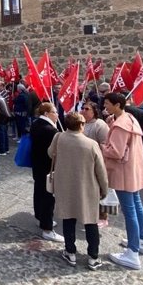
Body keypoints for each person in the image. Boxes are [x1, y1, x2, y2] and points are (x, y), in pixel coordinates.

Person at [48, 112, 108, 270]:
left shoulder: (59, 137)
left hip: (65, 184)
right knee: (90, 221)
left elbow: (50, 153)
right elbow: (100, 170)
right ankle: (93, 257)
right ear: (81, 125)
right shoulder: (91, 144)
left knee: (68, 219)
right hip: (87, 186)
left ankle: (70, 251)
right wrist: (105, 188)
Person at [102, 92, 143, 271]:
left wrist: (99, 146)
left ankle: (132, 253)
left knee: (129, 210)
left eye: (107, 103)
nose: (104, 106)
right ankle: (140, 240)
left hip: (123, 171)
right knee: (136, 205)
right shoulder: (128, 118)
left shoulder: (121, 125)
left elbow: (115, 151)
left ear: (117, 105)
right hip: (133, 168)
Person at [30, 102, 64, 242]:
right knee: (48, 197)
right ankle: (47, 228)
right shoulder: (50, 130)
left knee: (39, 191)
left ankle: (40, 217)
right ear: (46, 114)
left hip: (38, 165)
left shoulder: (36, 124)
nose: (57, 114)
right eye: (54, 112)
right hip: (47, 167)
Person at [81, 101, 110, 226]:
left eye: (87, 109)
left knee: (99, 189)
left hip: (97, 161)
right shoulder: (82, 123)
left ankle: (103, 216)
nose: (83, 110)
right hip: (84, 162)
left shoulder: (100, 124)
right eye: (82, 108)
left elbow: (105, 143)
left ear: (94, 111)